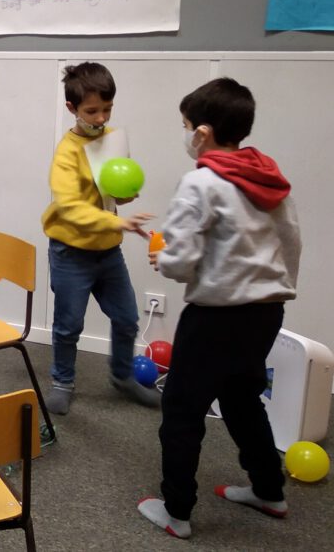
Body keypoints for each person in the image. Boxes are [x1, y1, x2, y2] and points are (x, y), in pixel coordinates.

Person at [138, 78, 300, 539]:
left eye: (186, 126)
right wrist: (274, 289)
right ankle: (269, 491)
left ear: (203, 132)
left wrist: (164, 259)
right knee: (243, 399)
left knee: (182, 410)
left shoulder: (201, 181)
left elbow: (181, 261)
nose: (186, 134)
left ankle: (177, 511)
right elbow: (290, 243)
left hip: (215, 318)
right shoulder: (271, 177)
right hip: (266, 311)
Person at [41, 62, 159, 415]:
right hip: (70, 253)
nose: (101, 117)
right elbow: (70, 207)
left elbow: (114, 191)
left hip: (107, 252)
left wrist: (126, 194)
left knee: (126, 318)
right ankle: (62, 382)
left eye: (107, 109)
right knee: (68, 326)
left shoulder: (111, 139)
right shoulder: (66, 153)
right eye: (92, 111)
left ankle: (122, 377)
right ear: (72, 108)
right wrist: (117, 222)